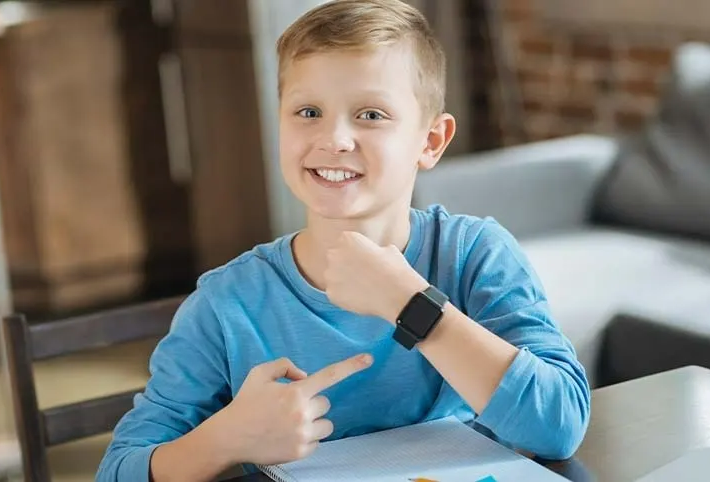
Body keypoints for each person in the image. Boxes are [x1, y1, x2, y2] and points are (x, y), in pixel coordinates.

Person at [96, 1, 590, 480]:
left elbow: (560, 427)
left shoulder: (474, 255)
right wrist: (227, 439)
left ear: (430, 141)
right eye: (308, 111)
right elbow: (118, 471)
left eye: (371, 115)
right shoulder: (227, 304)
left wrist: (410, 303)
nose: (334, 139)